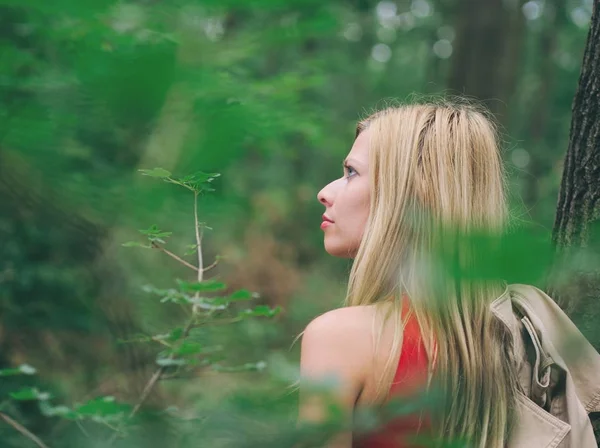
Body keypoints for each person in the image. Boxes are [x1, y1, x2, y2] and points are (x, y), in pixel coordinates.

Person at [297, 102, 600, 447]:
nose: (325, 192)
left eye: (351, 172)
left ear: (412, 195)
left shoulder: (340, 338)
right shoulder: (519, 335)